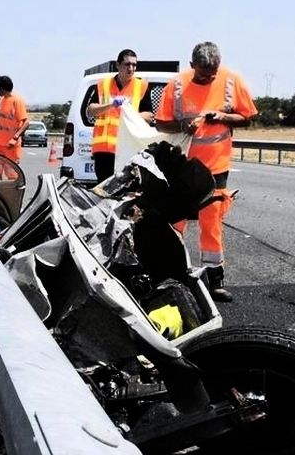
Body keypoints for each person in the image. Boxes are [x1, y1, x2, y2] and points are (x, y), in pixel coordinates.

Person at [154, 41, 257, 302]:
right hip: (181, 167)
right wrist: (182, 124)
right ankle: (171, 277)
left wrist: (223, 117)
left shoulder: (232, 81)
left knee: (212, 224)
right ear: (192, 66)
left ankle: (215, 280)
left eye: (212, 74)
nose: (208, 78)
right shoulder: (177, 85)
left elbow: (247, 118)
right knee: (174, 223)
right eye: (202, 74)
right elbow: (161, 123)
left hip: (216, 167)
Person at [86, 49, 155, 183]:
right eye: (127, 64)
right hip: (104, 150)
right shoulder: (103, 85)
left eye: (134, 65)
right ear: (118, 65)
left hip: (128, 148)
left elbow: (149, 115)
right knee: (104, 189)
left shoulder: (142, 86)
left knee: (127, 190)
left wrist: (130, 114)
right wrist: (111, 104)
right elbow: (90, 111)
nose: (131, 68)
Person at [0, 75, 28, 180]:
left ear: (2, 88)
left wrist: (15, 138)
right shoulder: (1, 100)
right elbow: (0, 122)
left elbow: (26, 122)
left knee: (12, 176)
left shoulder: (17, 101)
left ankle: (11, 196)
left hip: (10, 147)